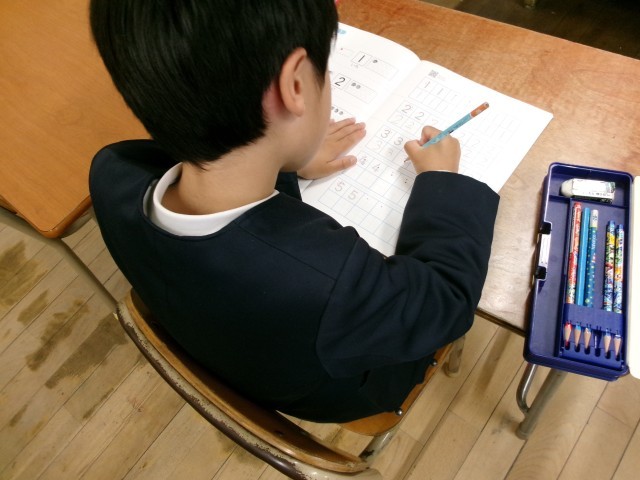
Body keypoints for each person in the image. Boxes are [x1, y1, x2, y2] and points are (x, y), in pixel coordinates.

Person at [89, 0, 499, 423]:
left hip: (225, 343)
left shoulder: (113, 170)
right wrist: (442, 182)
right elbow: (446, 301)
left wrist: (284, 159)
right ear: (295, 86)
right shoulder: (332, 284)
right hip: (326, 392)